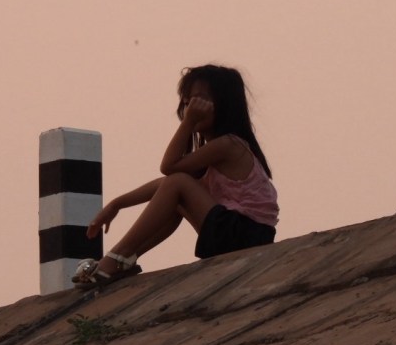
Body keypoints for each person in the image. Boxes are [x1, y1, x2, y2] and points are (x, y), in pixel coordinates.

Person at [73, 64, 278, 289]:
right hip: (235, 234)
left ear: (224, 103)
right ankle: (126, 259)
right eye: (188, 101)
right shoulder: (213, 153)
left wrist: (188, 122)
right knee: (174, 196)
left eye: (200, 100)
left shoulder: (229, 145)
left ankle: (115, 258)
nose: (191, 108)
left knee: (177, 183)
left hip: (245, 234)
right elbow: (165, 184)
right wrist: (117, 204)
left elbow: (169, 168)